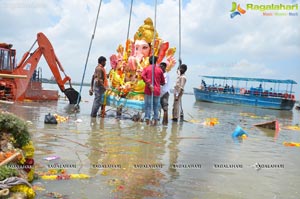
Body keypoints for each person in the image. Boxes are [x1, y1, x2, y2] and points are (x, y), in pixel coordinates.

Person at [141, 56, 165, 125]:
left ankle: (147, 123)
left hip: (148, 90)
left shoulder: (146, 69)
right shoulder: (160, 70)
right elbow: (163, 82)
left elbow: (142, 75)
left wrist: (148, 83)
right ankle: (155, 123)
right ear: (156, 61)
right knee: (156, 107)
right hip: (157, 90)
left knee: (147, 106)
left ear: (149, 61)